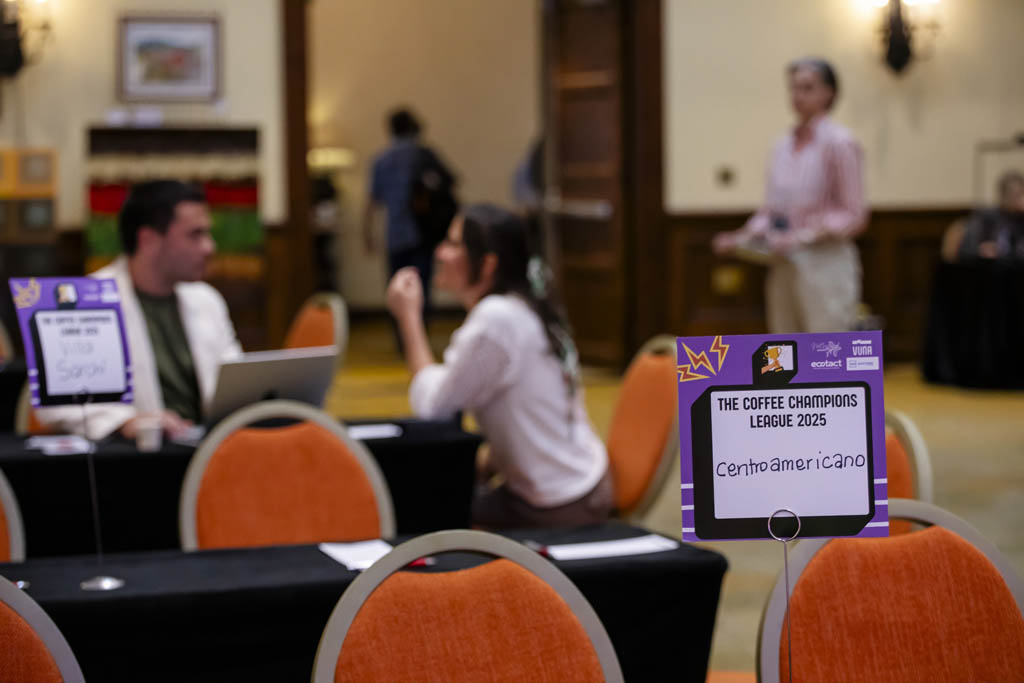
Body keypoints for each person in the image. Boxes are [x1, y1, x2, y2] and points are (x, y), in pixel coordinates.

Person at [386, 204, 611, 529]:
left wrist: (408, 318)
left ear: (488, 264)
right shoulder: (521, 306)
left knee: (421, 513)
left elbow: (434, 407)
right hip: (580, 481)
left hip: (560, 501)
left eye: (453, 244)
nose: (440, 252)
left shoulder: (497, 320)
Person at [37, 180, 242, 440]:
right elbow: (59, 404)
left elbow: (235, 386)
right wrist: (125, 422)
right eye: (195, 235)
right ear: (148, 240)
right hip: (130, 459)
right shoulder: (84, 303)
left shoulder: (206, 300)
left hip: (209, 450)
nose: (209, 247)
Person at [713, 57, 868, 333]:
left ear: (829, 93)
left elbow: (854, 214)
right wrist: (741, 237)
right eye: (794, 88)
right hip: (783, 263)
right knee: (785, 347)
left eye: (807, 88)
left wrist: (803, 237)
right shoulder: (782, 145)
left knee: (825, 347)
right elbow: (772, 211)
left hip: (825, 264)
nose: (798, 95)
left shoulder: (840, 143)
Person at [364, 108, 456, 327]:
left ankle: (401, 336)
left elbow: (372, 202)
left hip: (395, 234)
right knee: (422, 288)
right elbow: (450, 183)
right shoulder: (424, 154)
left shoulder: (381, 160)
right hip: (422, 232)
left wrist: (366, 233)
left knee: (396, 288)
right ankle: (420, 332)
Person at [954, 171, 1024, 261]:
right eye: (1017, 195)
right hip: (987, 266)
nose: (1021, 200)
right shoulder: (985, 217)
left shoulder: (1021, 218)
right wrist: (980, 250)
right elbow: (967, 248)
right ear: (1004, 196)